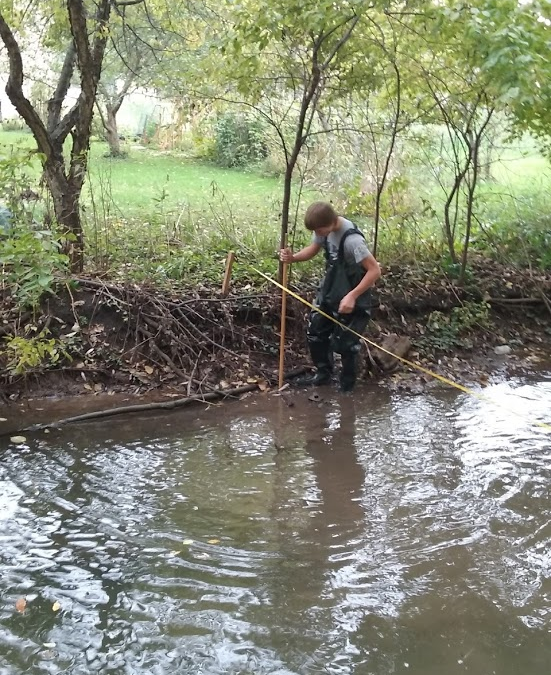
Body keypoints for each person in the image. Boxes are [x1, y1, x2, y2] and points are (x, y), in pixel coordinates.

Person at [280, 201, 381, 392]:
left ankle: (347, 387)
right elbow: (313, 248)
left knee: (347, 343)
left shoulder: (353, 241)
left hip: (354, 290)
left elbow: (374, 271)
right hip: (330, 288)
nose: (318, 235)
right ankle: (323, 374)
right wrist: (293, 258)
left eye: (319, 231)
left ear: (331, 222)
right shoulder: (323, 230)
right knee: (316, 331)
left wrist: (352, 296)